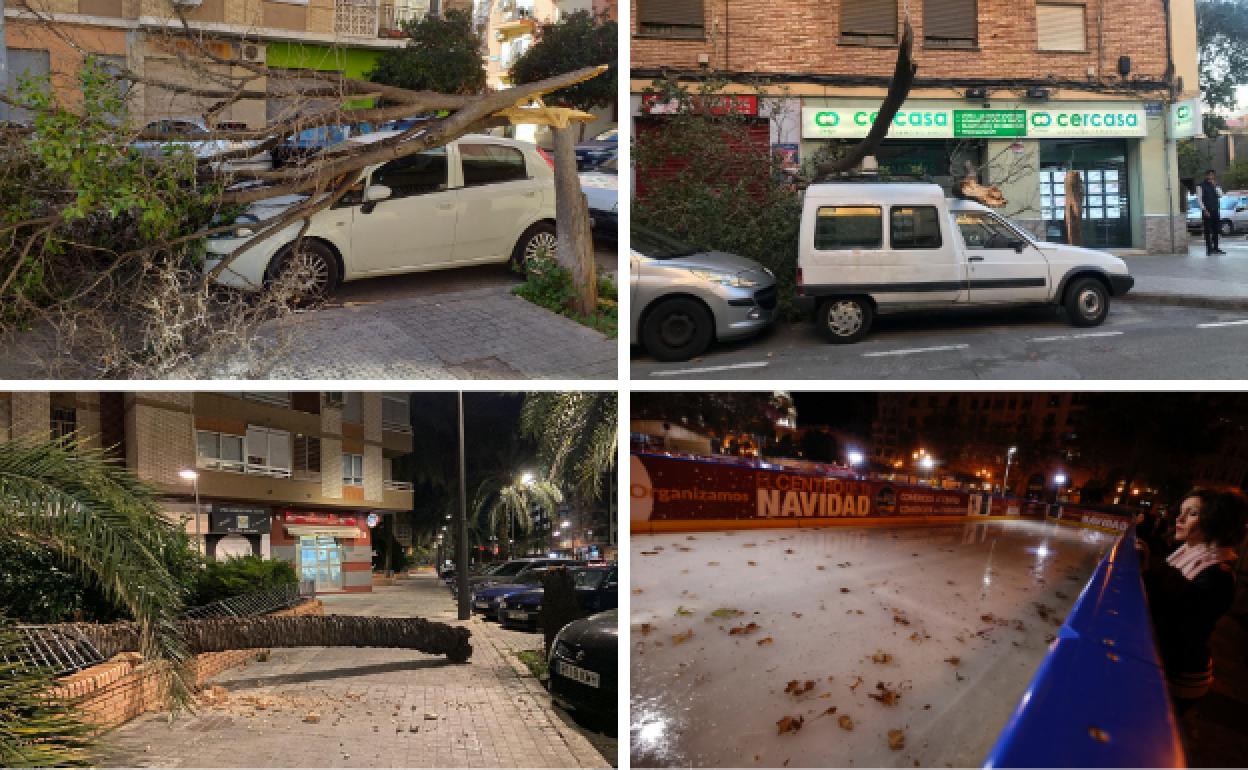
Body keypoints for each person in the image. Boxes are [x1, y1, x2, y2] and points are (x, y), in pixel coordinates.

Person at [1142, 488, 1247, 705]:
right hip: (1163, 663)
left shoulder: (1218, 576)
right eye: (1181, 512)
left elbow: (1175, 624)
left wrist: (1146, 573)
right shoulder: (1186, 552)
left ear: (1215, 522)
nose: (1178, 519)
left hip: (1181, 678)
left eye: (1191, 513)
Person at [1199, 170, 1227, 256]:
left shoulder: (1215, 185)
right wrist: (1204, 210)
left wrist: (1216, 186)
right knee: (1208, 231)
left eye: (1212, 175)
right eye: (1209, 175)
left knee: (1216, 230)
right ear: (1206, 175)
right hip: (1207, 211)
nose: (1211, 176)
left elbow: (1221, 195)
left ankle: (1216, 248)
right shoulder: (1201, 186)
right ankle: (1209, 249)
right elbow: (1199, 199)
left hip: (1215, 210)